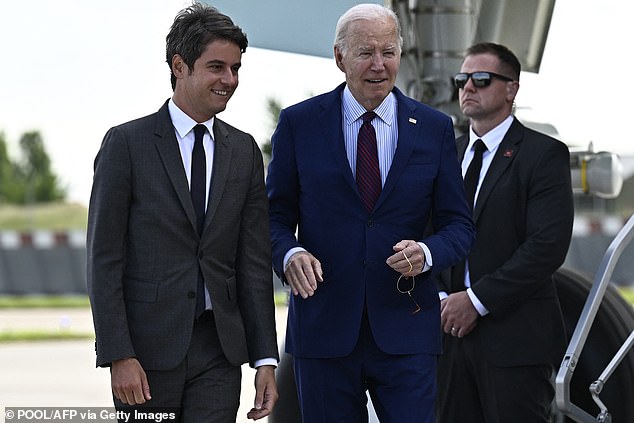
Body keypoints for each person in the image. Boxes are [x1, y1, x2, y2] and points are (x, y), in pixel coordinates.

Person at [266, 4, 475, 422]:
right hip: (324, 331)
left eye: (389, 52)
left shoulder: (433, 128)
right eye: (365, 53)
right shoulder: (298, 124)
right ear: (340, 57)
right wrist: (289, 255)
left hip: (407, 332)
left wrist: (428, 253)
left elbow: (459, 225)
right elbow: (271, 218)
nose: (379, 65)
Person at [86, 4, 279, 422]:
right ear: (180, 66)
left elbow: (254, 262)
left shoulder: (244, 152)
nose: (229, 80)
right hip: (146, 355)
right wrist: (119, 353)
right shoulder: (126, 145)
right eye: (216, 67)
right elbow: (104, 259)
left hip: (220, 351)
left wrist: (265, 358)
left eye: (235, 68)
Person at [436, 42, 574, 422]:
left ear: (511, 88)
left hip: (515, 342)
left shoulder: (543, 155)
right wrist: (443, 298)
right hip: (446, 337)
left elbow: (546, 246)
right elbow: (426, 234)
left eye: (481, 79)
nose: (468, 87)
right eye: (462, 79)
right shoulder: (445, 155)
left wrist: (475, 300)